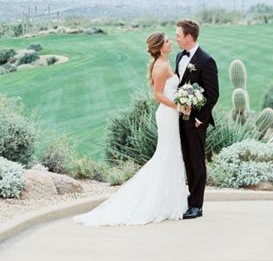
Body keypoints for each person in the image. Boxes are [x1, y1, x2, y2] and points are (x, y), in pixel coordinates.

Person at [73, 32, 190, 226]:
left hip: (171, 115)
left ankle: (170, 200)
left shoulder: (165, 63)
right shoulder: (160, 67)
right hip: (167, 115)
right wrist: (179, 106)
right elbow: (158, 95)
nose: (171, 44)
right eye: (168, 41)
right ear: (161, 47)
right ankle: (159, 202)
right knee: (166, 155)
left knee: (171, 154)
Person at [175, 19, 219, 219]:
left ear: (189, 37)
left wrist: (201, 119)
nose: (176, 38)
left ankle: (197, 206)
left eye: (178, 35)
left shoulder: (206, 60)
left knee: (197, 161)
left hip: (195, 122)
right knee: (187, 160)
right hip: (179, 119)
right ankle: (189, 200)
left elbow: (213, 93)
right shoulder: (178, 56)